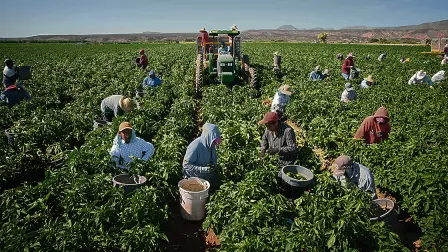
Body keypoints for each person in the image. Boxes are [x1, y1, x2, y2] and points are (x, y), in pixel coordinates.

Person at [183, 123, 221, 188]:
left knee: (217, 184)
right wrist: (202, 169)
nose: (215, 143)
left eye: (216, 141)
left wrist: (214, 165)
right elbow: (186, 165)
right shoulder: (195, 147)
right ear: (208, 137)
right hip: (194, 176)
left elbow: (213, 157)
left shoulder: (210, 144)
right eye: (214, 141)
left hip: (206, 172)